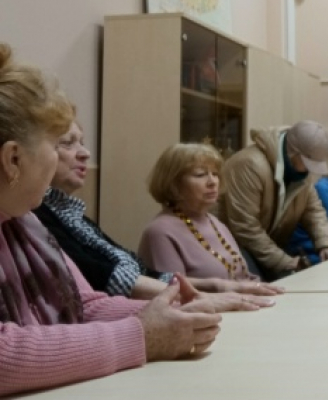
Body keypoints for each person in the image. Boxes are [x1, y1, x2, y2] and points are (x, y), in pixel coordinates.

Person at [0, 43, 221, 396]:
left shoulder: (26, 221)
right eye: (56, 145)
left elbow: (83, 305)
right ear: (13, 159)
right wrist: (141, 335)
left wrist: (170, 312)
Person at [34, 120, 281, 311]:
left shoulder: (73, 214)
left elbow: (139, 273)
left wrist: (218, 287)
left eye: (215, 174)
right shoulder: (38, 216)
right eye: (68, 143)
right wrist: (205, 295)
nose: (86, 153)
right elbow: (107, 278)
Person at [218, 121, 328, 278]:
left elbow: (313, 210)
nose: (311, 170)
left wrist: (325, 244)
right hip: (232, 247)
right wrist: (285, 262)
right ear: (293, 154)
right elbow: (245, 228)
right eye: (309, 164)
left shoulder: (299, 170)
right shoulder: (249, 164)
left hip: (262, 247)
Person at [138, 143, 260, 282]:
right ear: (174, 183)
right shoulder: (159, 232)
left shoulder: (214, 222)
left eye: (215, 174)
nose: (213, 182)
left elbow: (243, 276)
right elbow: (176, 290)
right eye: (200, 175)